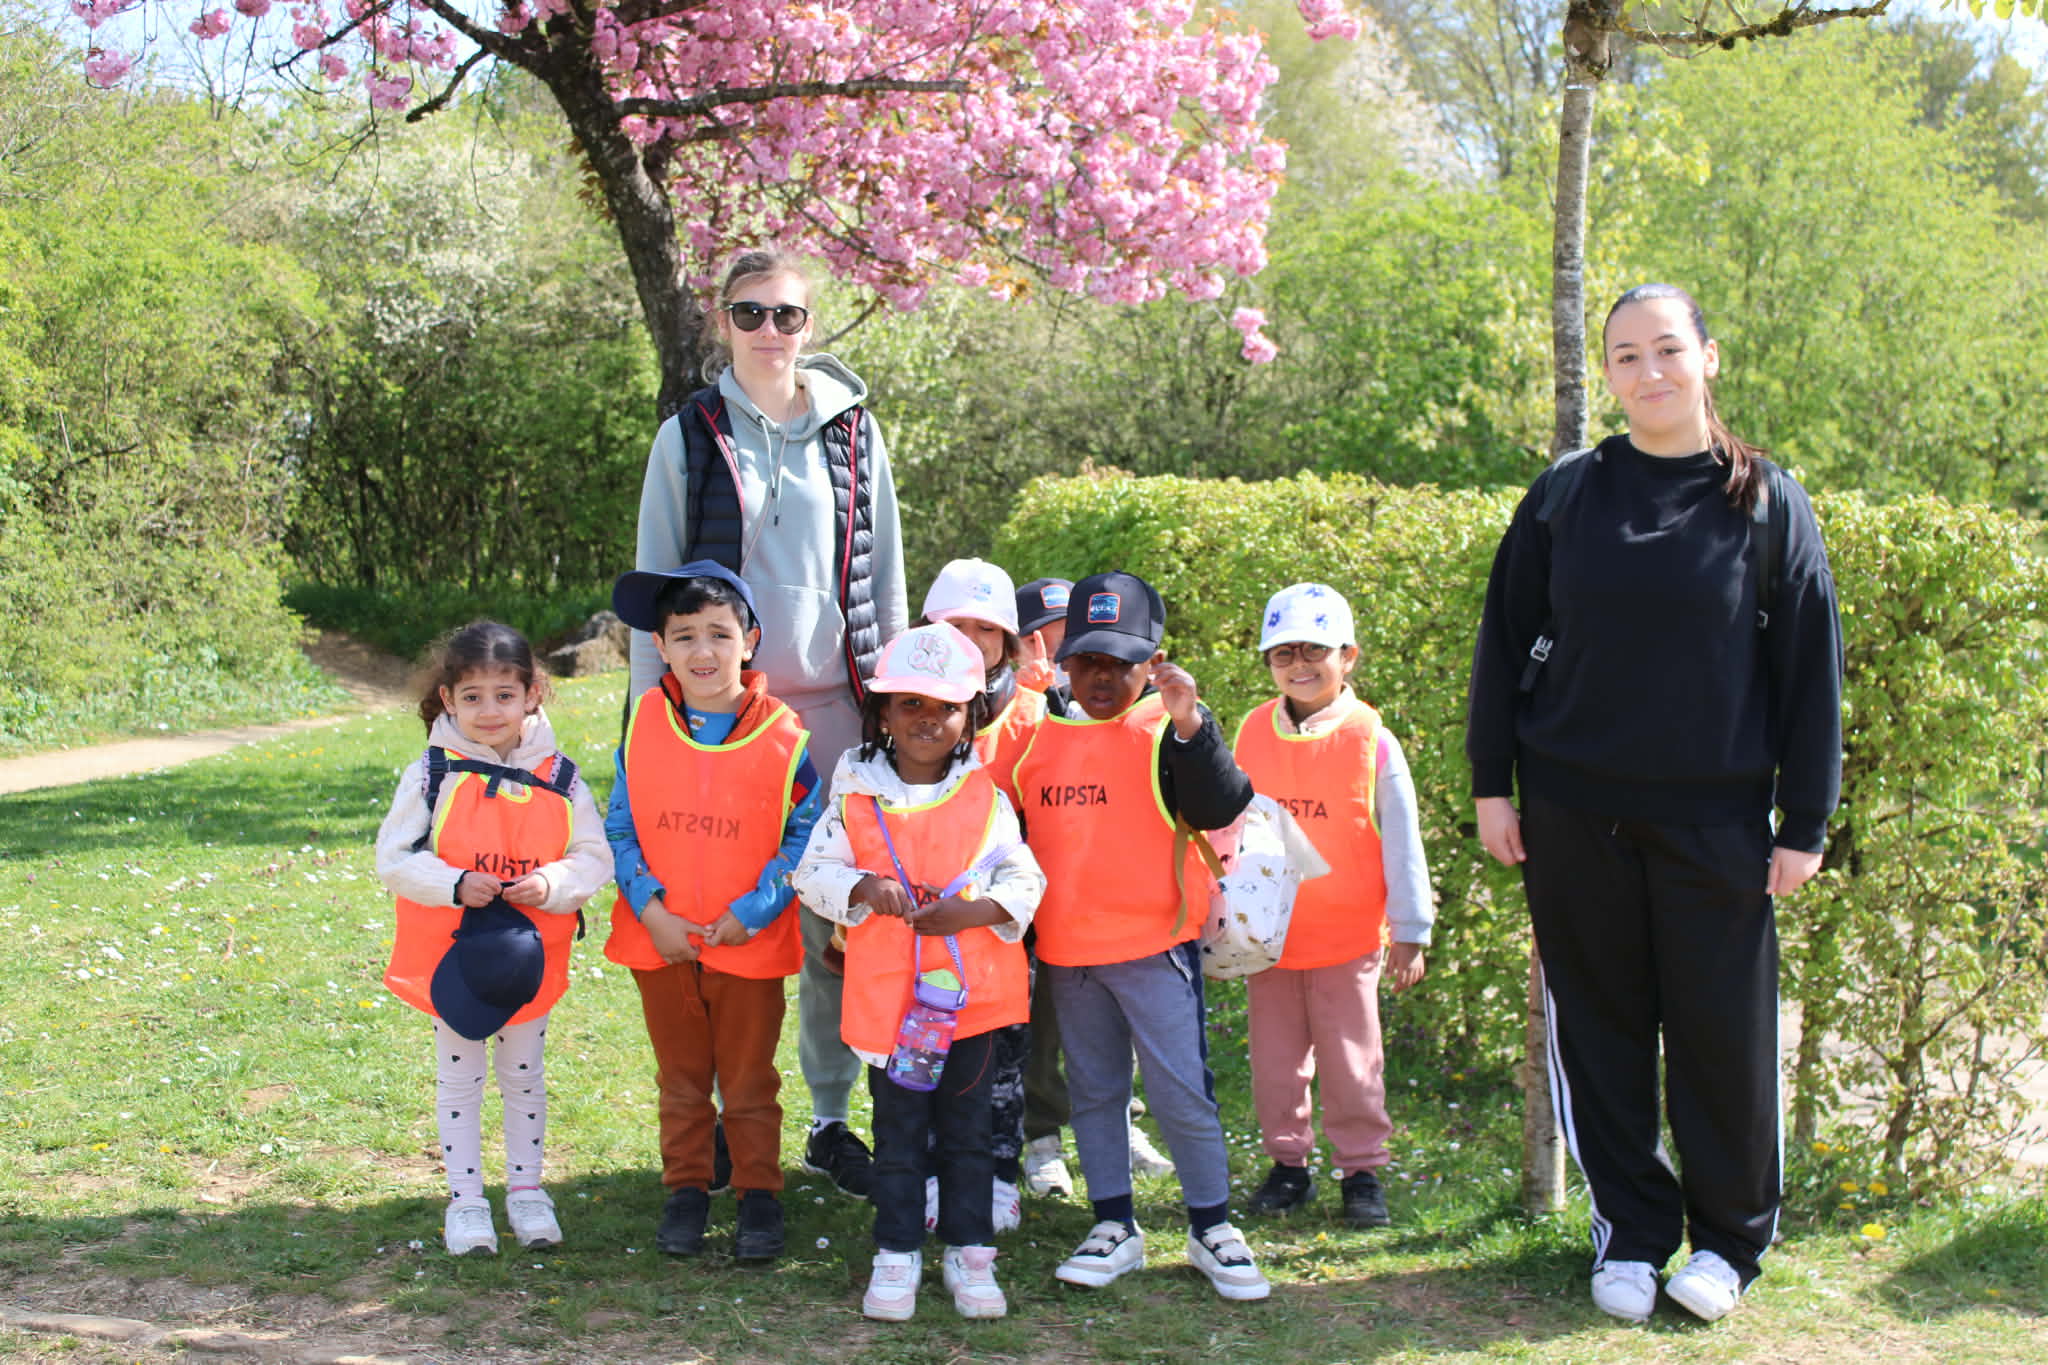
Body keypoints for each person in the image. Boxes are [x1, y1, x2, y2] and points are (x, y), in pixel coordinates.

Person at [1466, 283, 1843, 1325]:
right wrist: (1491, 786)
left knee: (1722, 1039)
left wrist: (1802, 823)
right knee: (1601, 1032)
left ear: (1707, 358)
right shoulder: (1564, 495)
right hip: (1570, 812)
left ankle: (1727, 1244)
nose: (1647, 372)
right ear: (1608, 372)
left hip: (1714, 824)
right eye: (1624, 355)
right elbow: (1503, 645)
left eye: (1666, 350)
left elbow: (1810, 674)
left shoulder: (1765, 501)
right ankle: (1629, 1233)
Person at [629, 247, 908, 1197]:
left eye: (787, 315)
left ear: (809, 324)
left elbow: (885, 583)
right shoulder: (691, 431)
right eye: (750, 315)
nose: (769, 333)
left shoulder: (856, 434)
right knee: (715, 927)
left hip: (831, 711)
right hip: (719, 717)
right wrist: (649, 724)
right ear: (723, 323)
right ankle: (711, 1125)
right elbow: (656, 589)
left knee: (834, 922)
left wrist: (896, 711)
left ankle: (832, 1122)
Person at [1011, 571, 1269, 1301]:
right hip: (1071, 957)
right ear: (1063, 662)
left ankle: (1211, 1224)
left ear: (1151, 664)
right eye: (1086, 659)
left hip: (1157, 949)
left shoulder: (1168, 730)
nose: (1101, 676)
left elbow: (1224, 802)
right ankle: (1114, 1223)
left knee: (1181, 1090)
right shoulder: (1035, 736)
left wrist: (1193, 726)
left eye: (1120, 663)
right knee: (1093, 1091)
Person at [793, 623, 1046, 1321]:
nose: (928, 721)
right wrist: (863, 890)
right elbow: (810, 873)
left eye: (945, 707)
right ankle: (896, 1254)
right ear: (882, 714)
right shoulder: (855, 799)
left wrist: (973, 913)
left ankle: (970, 1254)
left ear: (970, 714)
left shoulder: (986, 798)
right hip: (890, 1008)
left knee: (966, 1135)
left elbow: (1025, 878)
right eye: (910, 705)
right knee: (899, 1137)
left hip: (969, 1006)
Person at [374, 622, 613, 1257]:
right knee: (460, 1076)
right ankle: (467, 1201)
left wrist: (554, 883)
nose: (489, 711)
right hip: (456, 959)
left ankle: (528, 1191)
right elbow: (393, 857)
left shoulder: (562, 777)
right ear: (448, 699)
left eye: (504, 695)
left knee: (525, 1075)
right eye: (473, 696)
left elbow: (593, 856)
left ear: (533, 694)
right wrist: (453, 882)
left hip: (529, 960)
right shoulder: (431, 773)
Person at [605, 562, 820, 1262]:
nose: (703, 651)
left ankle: (759, 1192)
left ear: (749, 640)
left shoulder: (789, 738)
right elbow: (619, 826)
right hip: (661, 942)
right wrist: (650, 908)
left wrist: (754, 909)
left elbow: (806, 834)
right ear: (660, 648)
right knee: (682, 1078)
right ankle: (687, 1189)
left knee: (751, 1079)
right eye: (684, 635)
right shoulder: (642, 726)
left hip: (746, 944)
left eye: (719, 634)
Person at [1233, 583, 1434, 1229]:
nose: (1298, 664)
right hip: (1268, 937)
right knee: (1274, 1064)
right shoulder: (1250, 730)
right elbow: (1226, 826)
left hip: (1347, 938)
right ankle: (1288, 1165)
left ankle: (1362, 1169)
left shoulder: (1371, 738)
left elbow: (1402, 840)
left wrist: (1410, 928)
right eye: (1282, 651)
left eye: (1314, 649)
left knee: (1353, 1061)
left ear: (1348, 656)